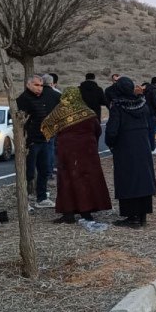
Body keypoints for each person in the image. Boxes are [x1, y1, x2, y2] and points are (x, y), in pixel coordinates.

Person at [41, 87, 112, 224]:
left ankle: (68, 213)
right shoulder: (89, 112)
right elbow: (97, 130)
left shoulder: (59, 111)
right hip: (88, 151)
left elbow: (46, 126)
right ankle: (87, 211)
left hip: (67, 151)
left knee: (67, 179)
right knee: (87, 179)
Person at [104, 76, 156, 229]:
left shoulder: (118, 106)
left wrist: (111, 144)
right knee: (143, 178)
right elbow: (150, 124)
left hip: (125, 147)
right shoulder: (143, 104)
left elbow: (112, 131)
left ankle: (132, 217)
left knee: (128, 180)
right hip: (143, 146)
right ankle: (142, 216)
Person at [16, 76, 53, 207]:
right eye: (36, 85)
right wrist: (26, 140)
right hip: (31, 142)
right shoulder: (23, 99)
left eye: (41, 85)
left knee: (45, 170)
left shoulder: (42, 98)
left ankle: (41, 198)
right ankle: (24, 201)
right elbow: (20, 121)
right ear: (29, 85)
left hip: (43, 140)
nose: (39, 88)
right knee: (29, 173)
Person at [143, 76, 156, 154]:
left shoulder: (147, 89)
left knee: (148, 131)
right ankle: (152, 148)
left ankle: (148, 148)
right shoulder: (154, 90)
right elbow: (155, 103)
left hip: (146, 112)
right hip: (152, 113)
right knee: (152, 131)